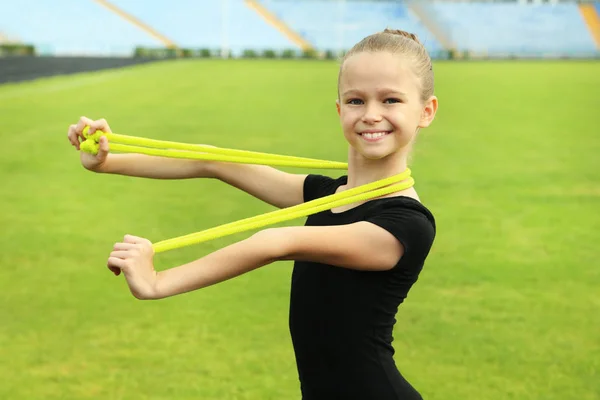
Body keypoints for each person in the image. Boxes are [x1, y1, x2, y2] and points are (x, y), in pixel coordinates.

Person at [67, 28, 438, 400]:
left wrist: (158, 281)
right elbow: (211, 160)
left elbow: (276, 242)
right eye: (356, 101)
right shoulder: (329, 196)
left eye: (391, 100)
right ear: (340, 109)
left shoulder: (405, 224)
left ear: (425, 111)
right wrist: (106, 161)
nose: (371, 114)